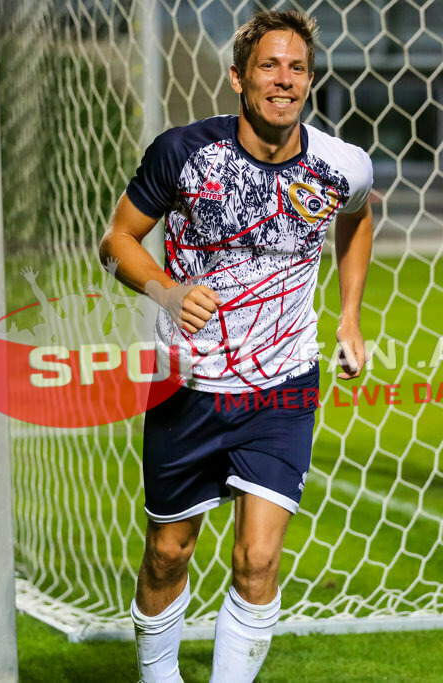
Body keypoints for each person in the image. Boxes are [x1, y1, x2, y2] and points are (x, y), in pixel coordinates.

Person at [99, 9, 373, 681]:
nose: (284, 79)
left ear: (310, 80)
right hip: (186, 384)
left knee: (258, 559)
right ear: (238, 78)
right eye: (269, 66)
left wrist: (349, 316)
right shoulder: (183, 153)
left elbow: (359, 215)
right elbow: (116, 241)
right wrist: (167, 291)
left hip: (283, 386)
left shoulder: (341, 165)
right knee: (168, 553)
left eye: (297, 68)